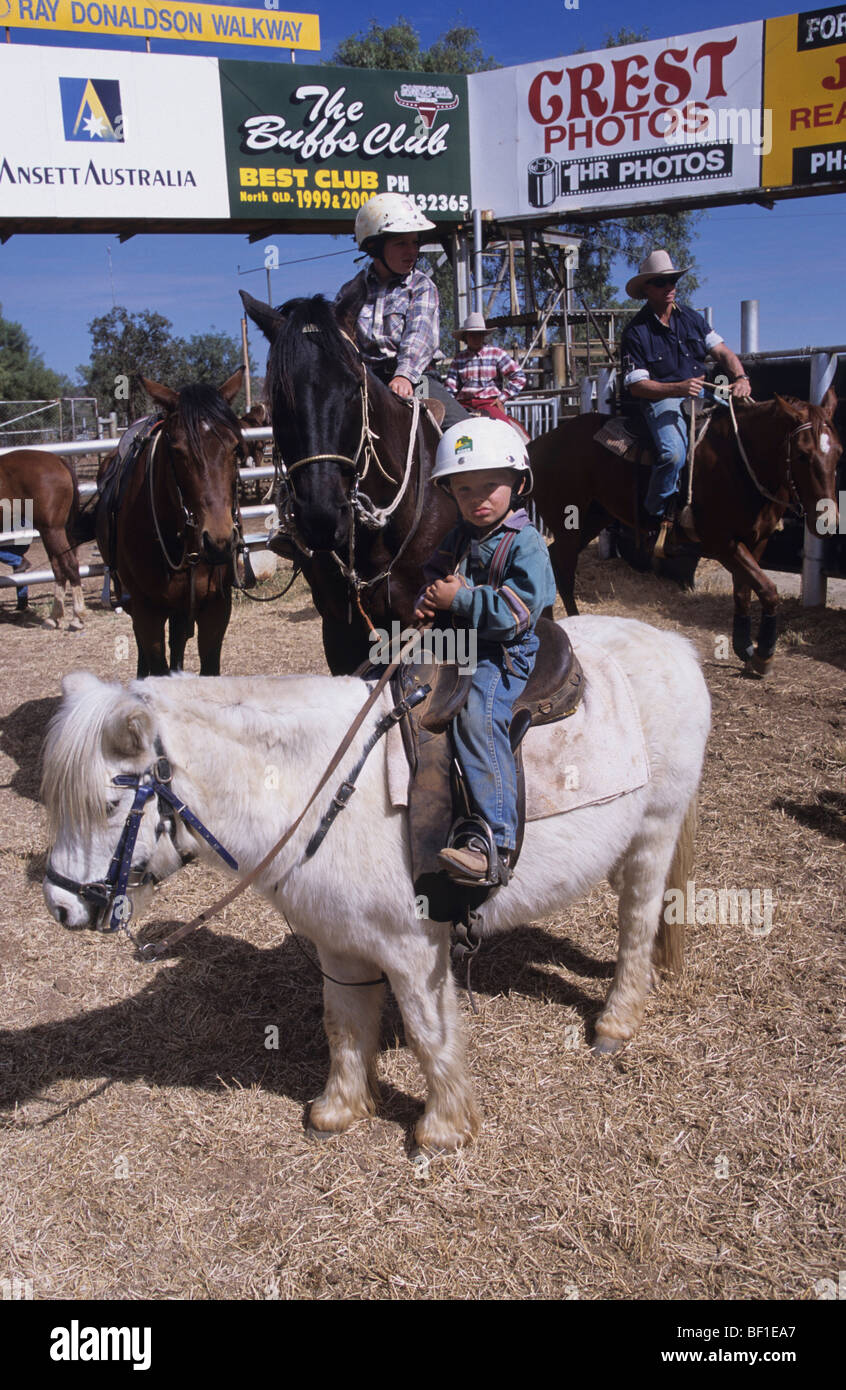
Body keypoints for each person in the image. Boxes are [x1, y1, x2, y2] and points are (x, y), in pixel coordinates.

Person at [414, 417, 557, 886]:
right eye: (463, 489)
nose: (478, 499)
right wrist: (429, 600)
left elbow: (517, 614)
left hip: (504, 652)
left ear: (518, 482)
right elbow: (436, 575)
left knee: (479, 712)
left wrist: (462, 600)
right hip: (460, 642)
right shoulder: (460, 536)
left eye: (490, 486)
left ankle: (494, 839)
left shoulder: (526, 543)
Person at [621, 249, 752, 524]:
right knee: (673, 455)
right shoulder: (636, 332)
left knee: (747, 432)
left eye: (673, 281)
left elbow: (724, 353)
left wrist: (741, 379)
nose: (669, 287)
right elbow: (638, 387)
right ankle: (656, 514)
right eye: (660, 282)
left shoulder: (692, 318)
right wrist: (677, 388)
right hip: (663, 401)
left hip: (705, 394)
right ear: (647, 289)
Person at [335, 193, 468, 430]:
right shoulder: (349, 292)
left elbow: (420, 335)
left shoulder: (421, 286)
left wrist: (404, 374)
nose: (412, 251)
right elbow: (340, 340)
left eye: (415, 242)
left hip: (418, 380)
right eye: (401, 243)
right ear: (374, 247)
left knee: (465, 432)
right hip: (365, 383)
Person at [444, 312, 526, 426]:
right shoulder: (459, 359)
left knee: (505, 428)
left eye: (479, 334)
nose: (476, 338)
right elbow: (450, 388)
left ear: (484, 336)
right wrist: (451, 406)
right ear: (465, 337)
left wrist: (502, 398)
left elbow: (519, 377)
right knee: (446, 429)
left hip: (489, 403)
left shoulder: (496, 354)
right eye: (472, 335)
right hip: (463, 404)